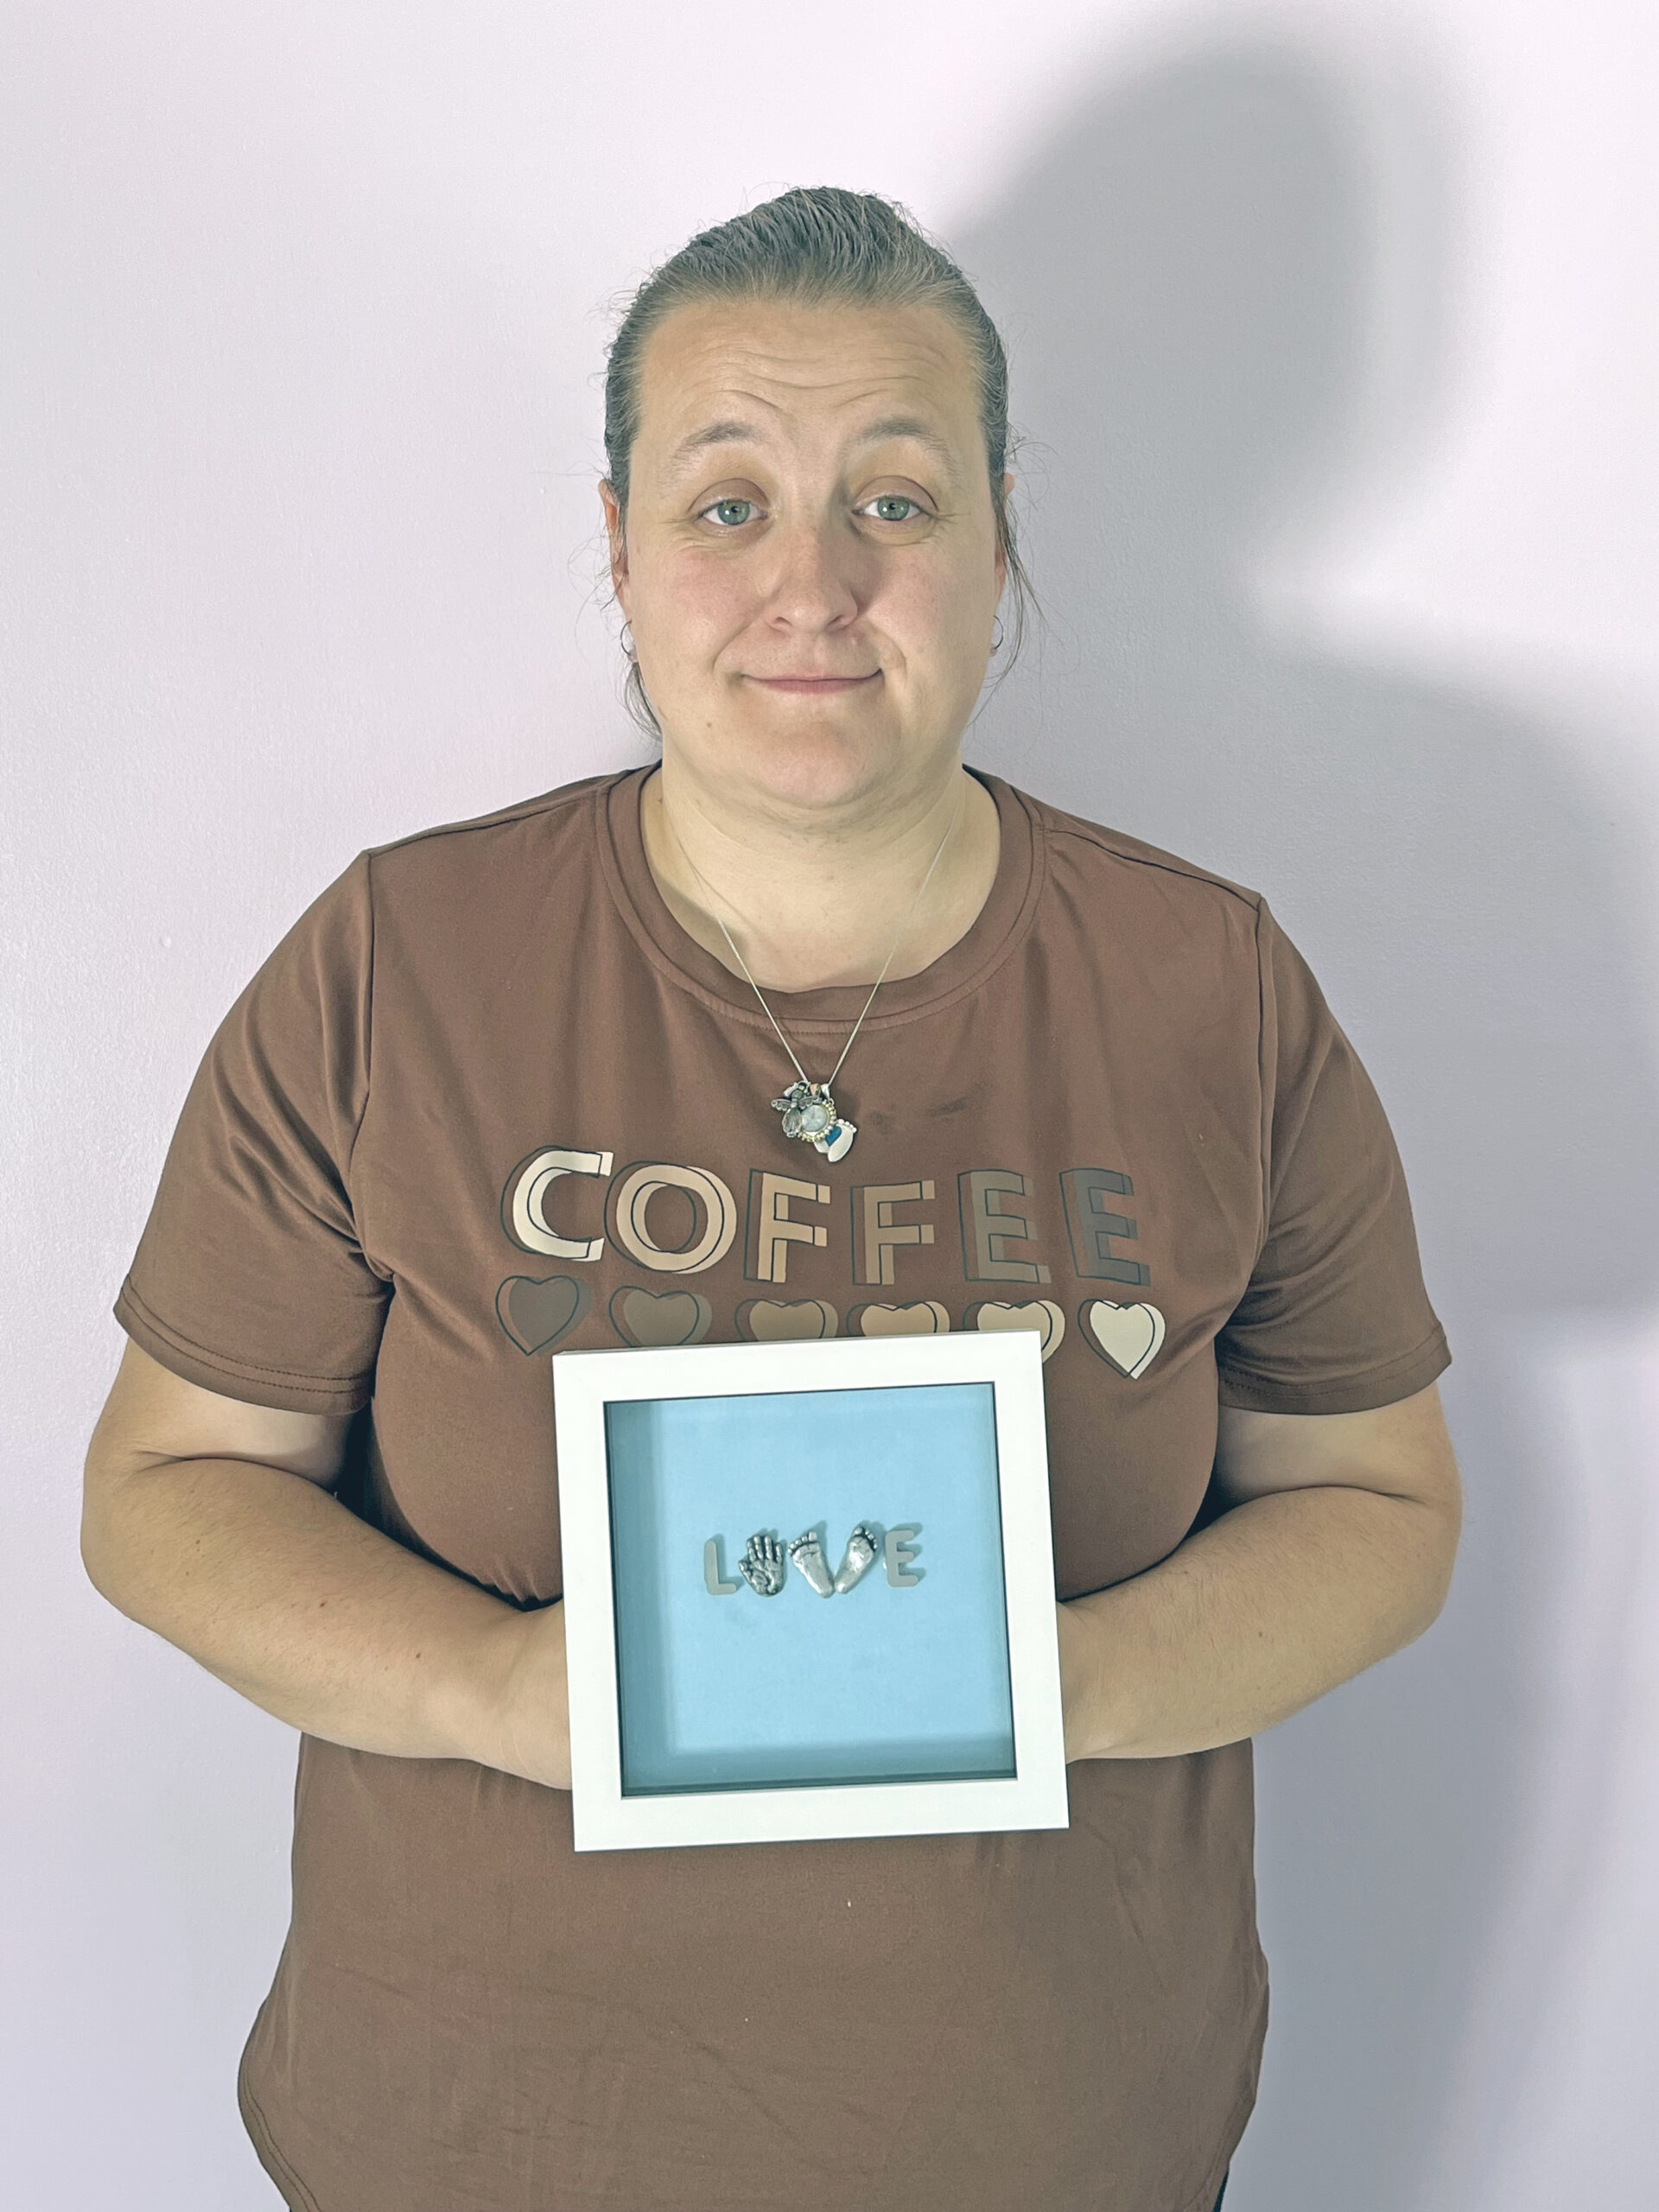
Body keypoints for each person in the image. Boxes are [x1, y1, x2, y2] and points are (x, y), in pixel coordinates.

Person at [81, 188, 1460, 2212]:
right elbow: (165, 1485)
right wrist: (496, 1692)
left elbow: (1379, 1500)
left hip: (1057, 2145)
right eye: (727, 504)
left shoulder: (1210, 985)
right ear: (621, 548)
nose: (812, 583)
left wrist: (1056, 1683)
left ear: (999, 541)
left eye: (894, 501)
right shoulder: (403, 963)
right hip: (464, 2144)